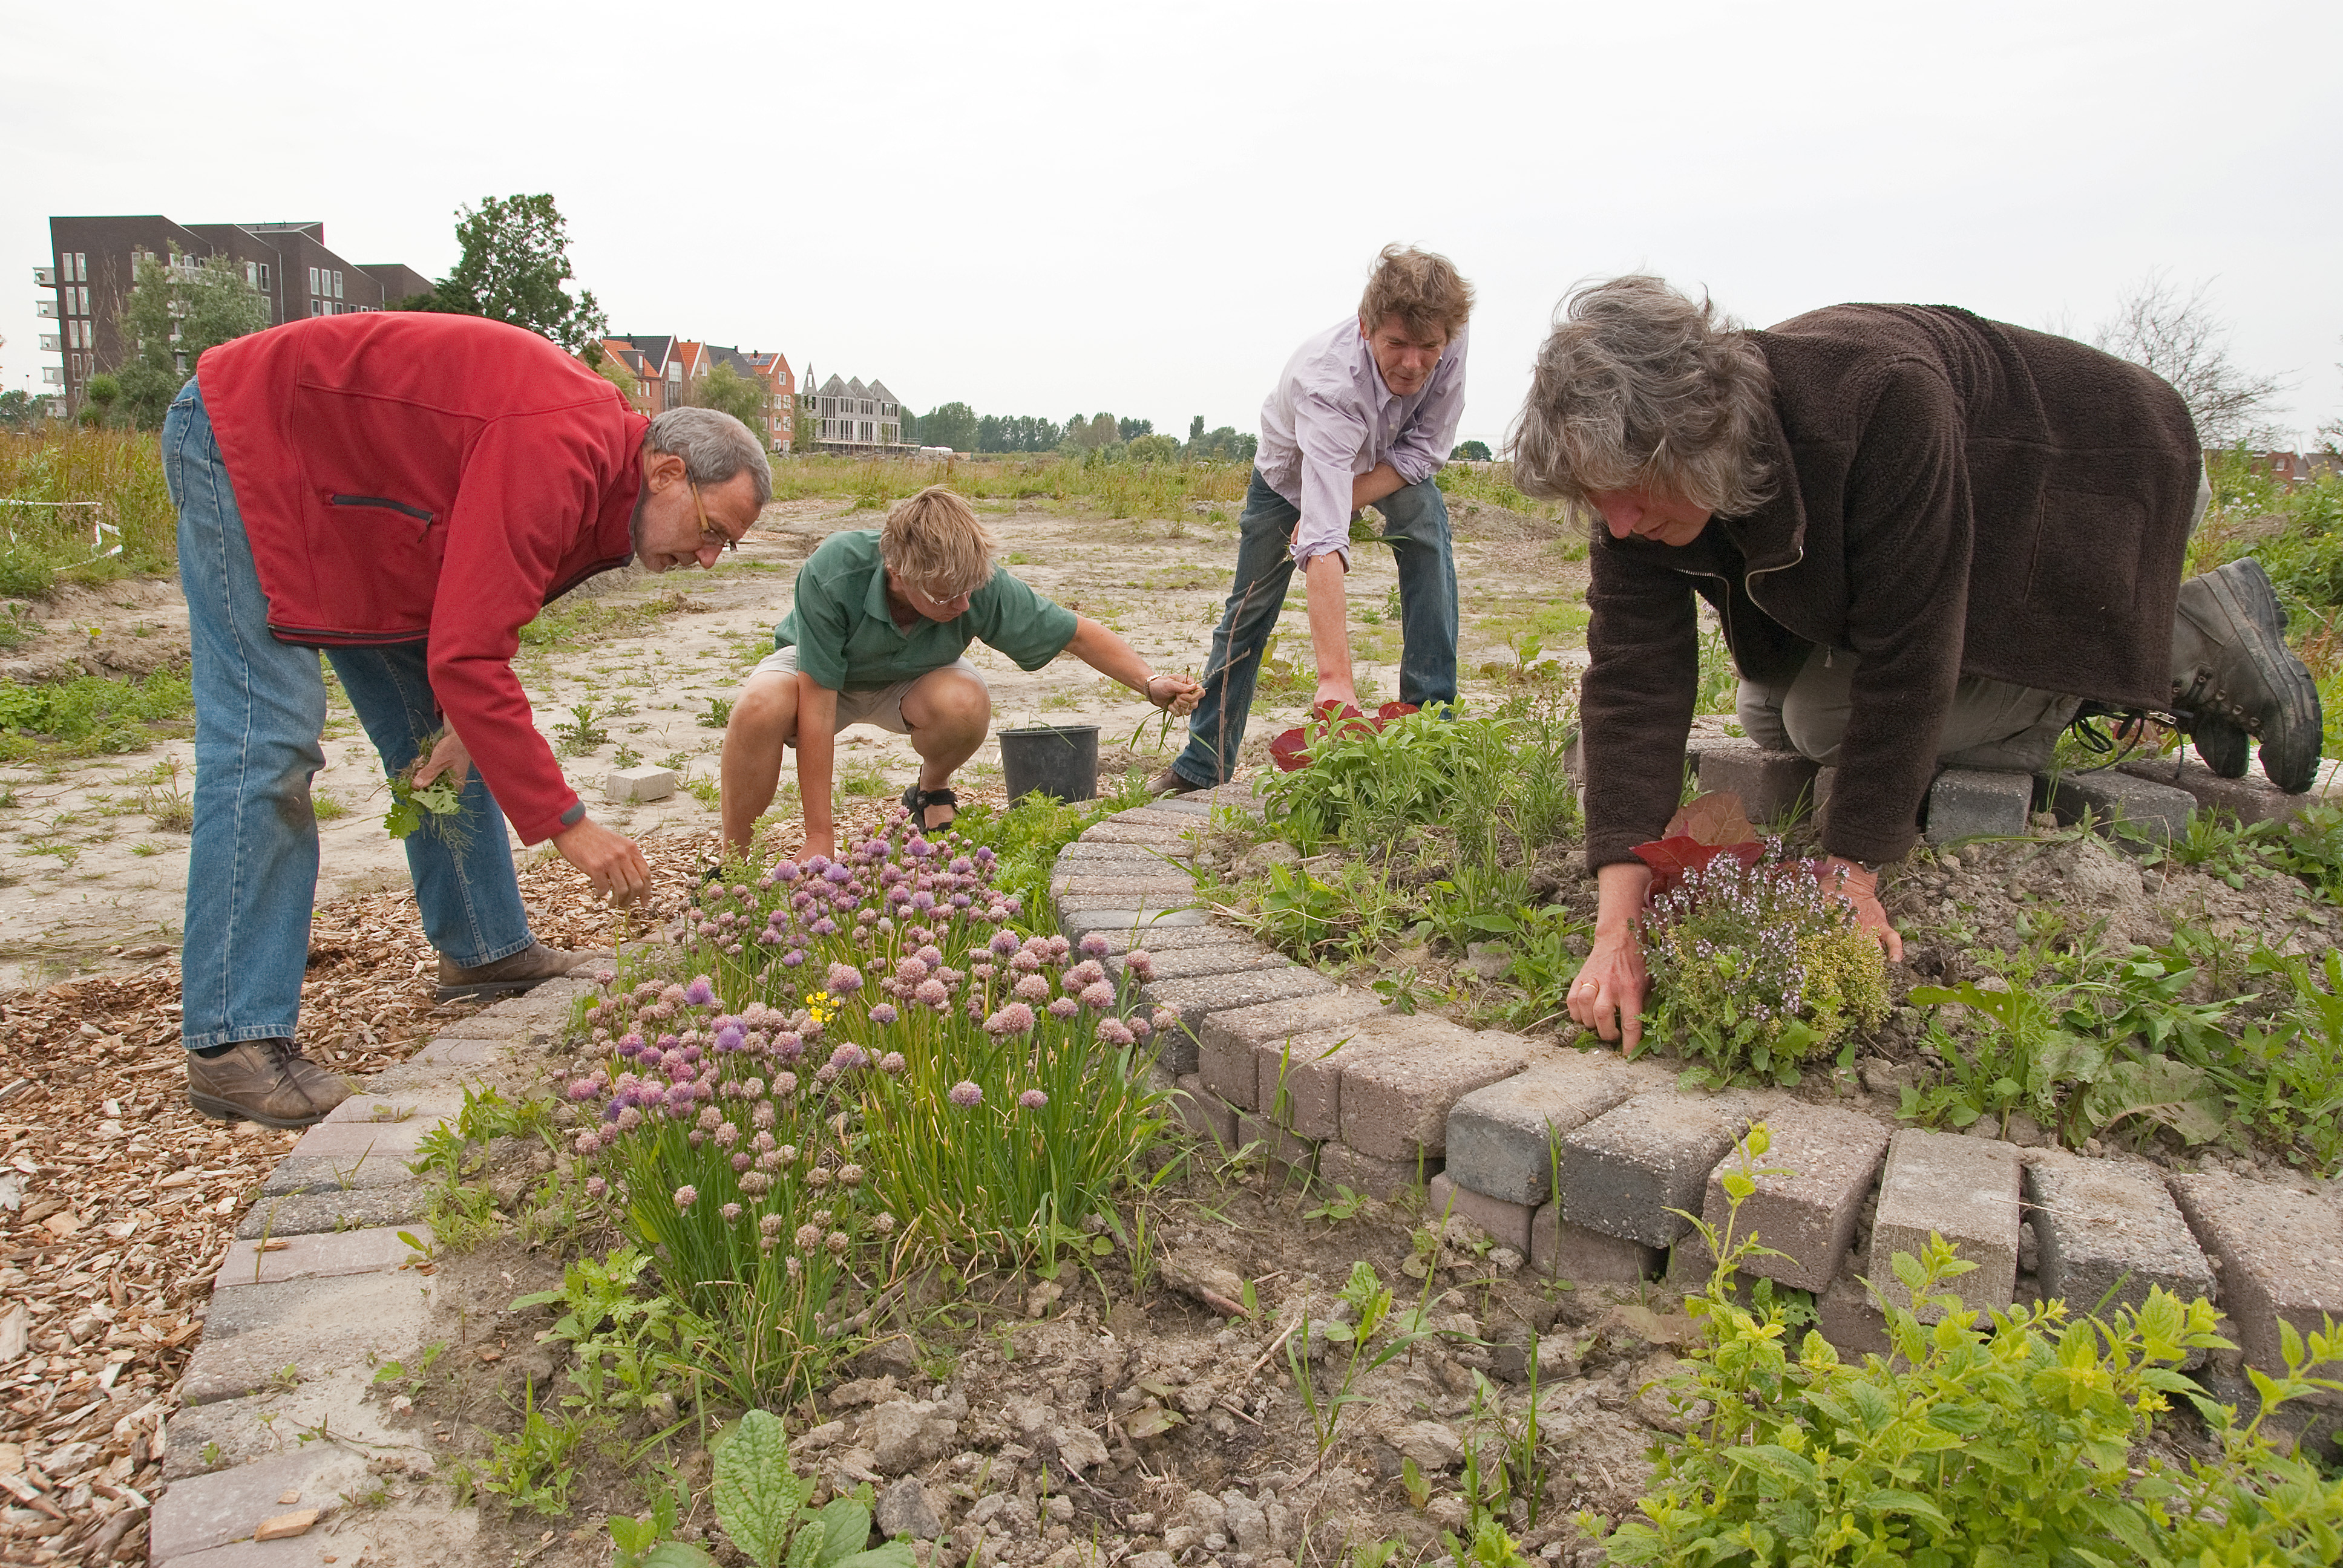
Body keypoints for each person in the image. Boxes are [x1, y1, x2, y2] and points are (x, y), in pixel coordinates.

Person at [1509, 275, 2322, 1051]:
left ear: (1702, 433)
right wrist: (1616, 928)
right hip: (1992, 511)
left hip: (2106, 476)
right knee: (1767, 710)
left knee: (1823, 719)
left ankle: (2177, 639)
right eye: (1596, 495)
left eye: (1632, 489)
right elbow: (1632, 684)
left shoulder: (1876, 401)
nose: (1616, 522)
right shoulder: (1633, 482)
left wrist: (1851, 875)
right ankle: (2153, 658)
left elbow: (1914, 644)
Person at [166, 312, 772, 1128]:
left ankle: (484, 949)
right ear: (665, 471)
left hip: (360, 498)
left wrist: (466, 718)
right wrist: (572, 828)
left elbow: (479, 633)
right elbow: (469, 659)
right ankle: (231, 1040)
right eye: (710, 533)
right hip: (249, 437)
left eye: (721, 550)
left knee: (439, 737)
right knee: (267, 739)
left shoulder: (602, 478)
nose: (705, 561)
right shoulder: (557, 449)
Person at [718, 485, 1201, 861]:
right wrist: (821, 834)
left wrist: (1149, 681)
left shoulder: (974, 581)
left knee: (966, 701)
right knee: (759, 708)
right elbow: (818, 708)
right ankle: (731, 865)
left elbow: (1076, 634)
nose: (965, 605)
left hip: (914, 677)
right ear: (898, 572)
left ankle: (930, 792)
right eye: (947, 596)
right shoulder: (834, 570)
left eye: (970, 590)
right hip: (821, 675)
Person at [1151, 245, 1472, 794]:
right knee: (1249, 607)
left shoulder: (1450, 339)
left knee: (1428, 540)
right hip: (1290, 477)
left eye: (1429, 348)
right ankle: (1203, 764)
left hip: (1389, 463)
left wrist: (1342, 501)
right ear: (1367, 326)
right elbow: (1323, 542)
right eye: (1397, 344)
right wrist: (1335, 684)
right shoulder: (1329, 383)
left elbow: (1426, 451)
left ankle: (1431, 727)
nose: (1414, 364)